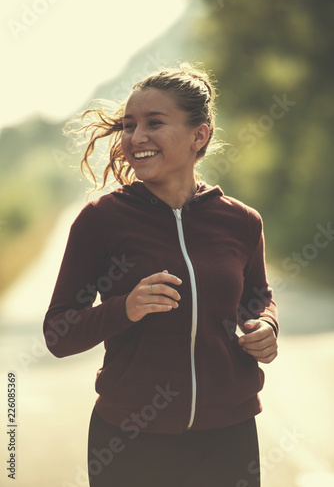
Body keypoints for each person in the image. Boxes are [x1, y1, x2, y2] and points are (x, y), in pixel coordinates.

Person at [43, 62, 278, 487]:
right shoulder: (101, 220)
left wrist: (264, 324)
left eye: (154, 123)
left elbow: (257, 295)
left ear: (198, 135)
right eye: (130, 125)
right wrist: (123, 309)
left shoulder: (241, 221)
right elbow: (58, 333)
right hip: (129, 440)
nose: (136, 138)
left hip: (228, 438)